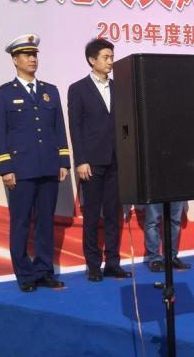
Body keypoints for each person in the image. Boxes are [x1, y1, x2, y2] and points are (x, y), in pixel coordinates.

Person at [0, 34, 70, 292]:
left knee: (46, 222)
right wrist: (6, 167)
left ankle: (44, 271)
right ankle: (25, 275)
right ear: (15, 60)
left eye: (34, 54)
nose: (32, 59)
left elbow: (59, 128)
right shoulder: (3, 94)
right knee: (21, 223)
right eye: (26, 55)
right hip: (21, 170)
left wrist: (63, 161)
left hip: (48, 166)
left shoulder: (50, 91)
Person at [68, 39, 131, 281]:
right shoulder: (78, 89)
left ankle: (112, 262)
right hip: (91, 163)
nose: (110, 61)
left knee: (113, 215)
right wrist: (81, 160)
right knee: (93, 216)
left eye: (111, 57)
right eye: (105, 57)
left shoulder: (119, 88)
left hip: (116, 161)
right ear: (92, 60)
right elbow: (75, 128)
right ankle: (93, 264)